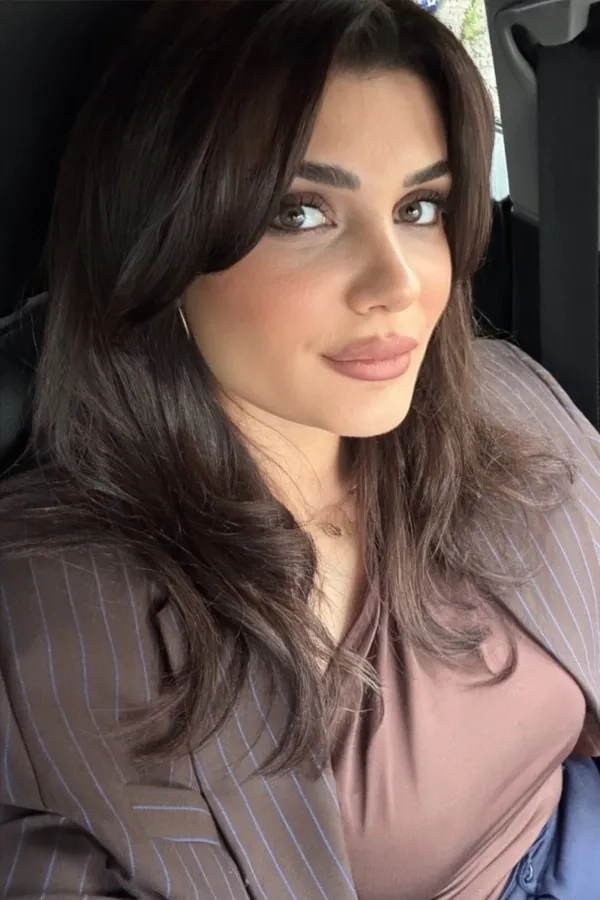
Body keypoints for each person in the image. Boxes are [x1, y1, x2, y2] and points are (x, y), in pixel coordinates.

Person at [0, 2, 598, 898]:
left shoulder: (508, 398)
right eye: (302, 213)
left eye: (419, 207)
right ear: (162, 248)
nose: (398, 283)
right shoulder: (51, 615)